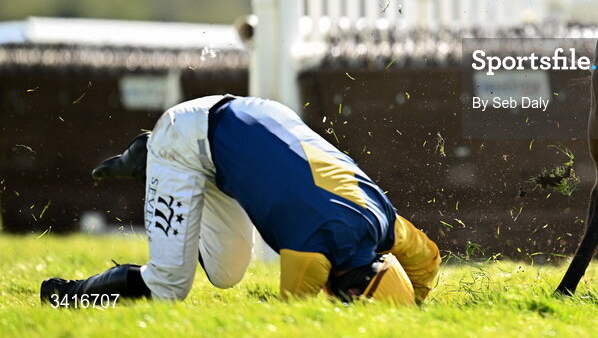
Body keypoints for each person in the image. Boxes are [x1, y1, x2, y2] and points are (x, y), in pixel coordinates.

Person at [40, 95, 440, 306]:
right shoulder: (312, 253)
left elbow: (427, 258)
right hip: (190, 135)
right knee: (166, 288)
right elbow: (293, 321)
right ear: (347, 293)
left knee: (227, 274)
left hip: (252, 120)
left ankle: (168, 175)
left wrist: (413, 299)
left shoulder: (384, 221)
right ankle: (65, 296)